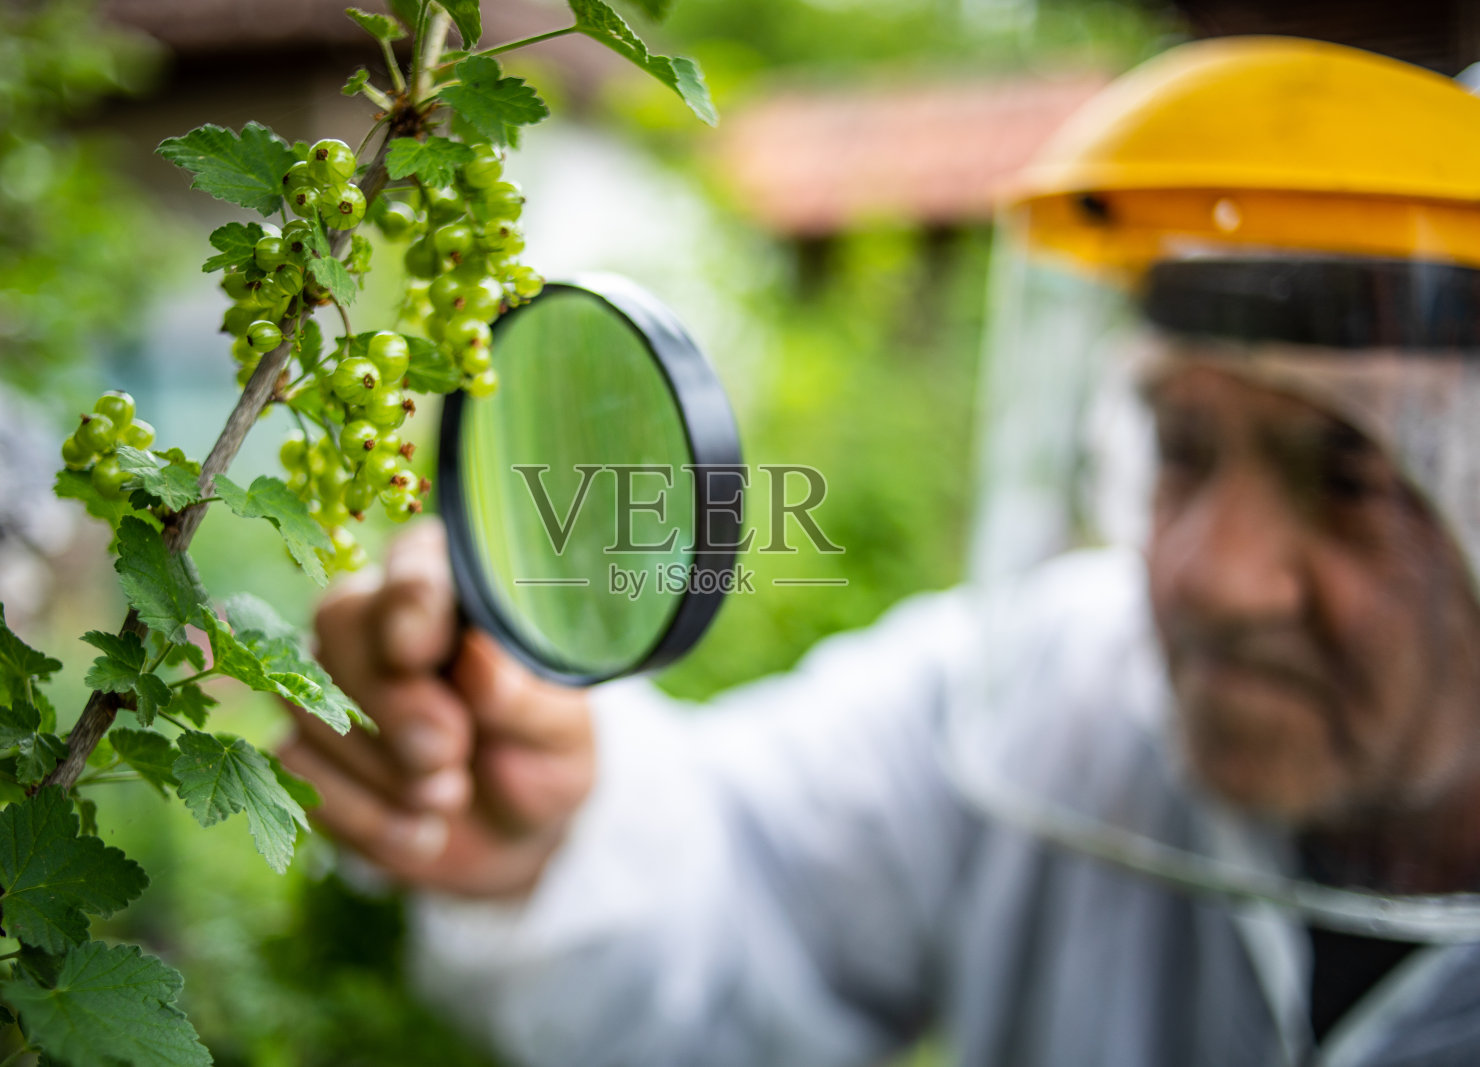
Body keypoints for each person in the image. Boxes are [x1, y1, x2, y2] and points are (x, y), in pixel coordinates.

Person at [280, 37, 1480, 1066]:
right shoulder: (1053, 696)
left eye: (1353, 476)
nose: (1213, 573)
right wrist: (551, 833)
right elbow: (737, 887)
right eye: (1179, 446)